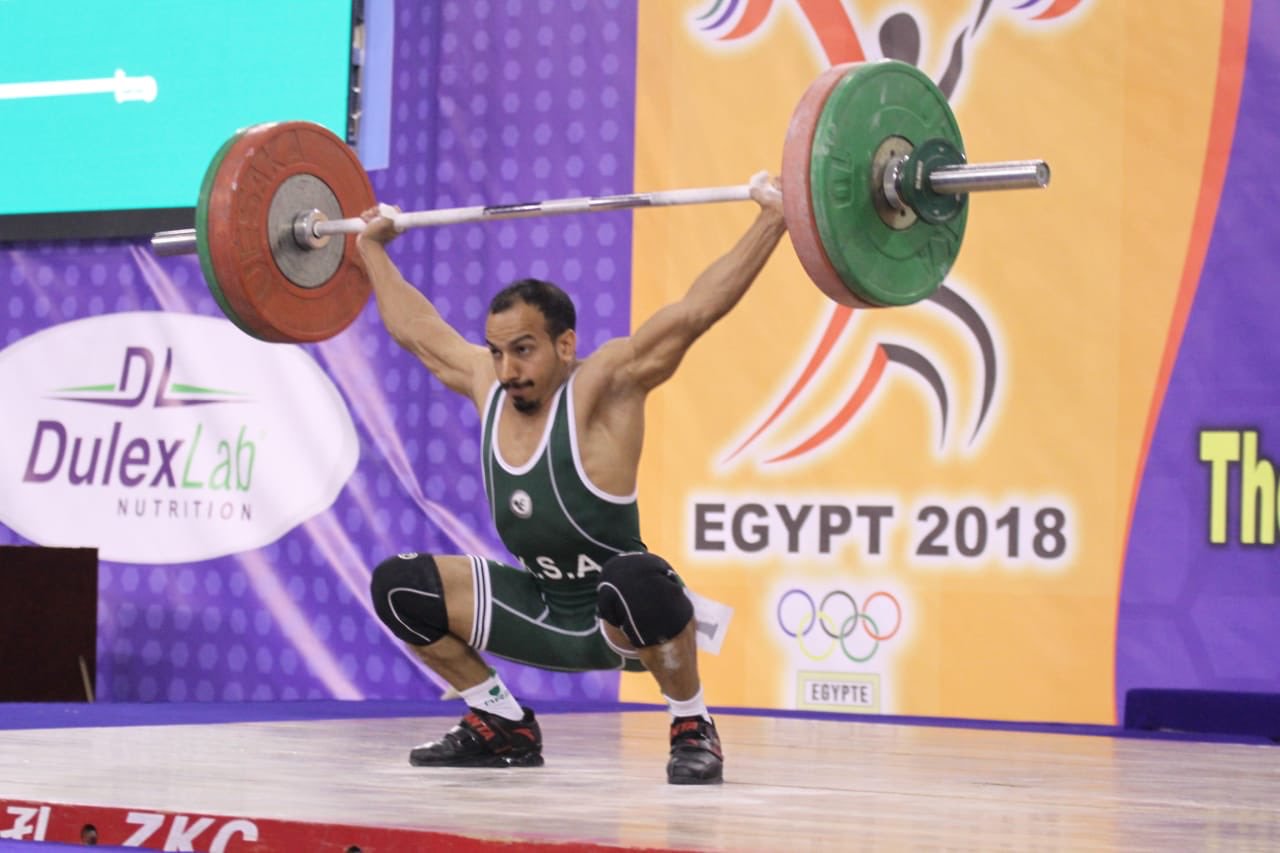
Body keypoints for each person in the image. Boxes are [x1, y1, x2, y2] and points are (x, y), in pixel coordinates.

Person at [358, 172, 786, 785]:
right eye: (498, 351)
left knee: (635, 576)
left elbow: (694, 312)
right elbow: (417, 333)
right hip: (540, 610)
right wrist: (371, 248)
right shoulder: (488, 384)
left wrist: (773, 218)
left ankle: (692, 723)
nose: (508, 368)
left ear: (565, 344)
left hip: (626, 621)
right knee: (400, 586)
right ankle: (499, 720)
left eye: (524, 350)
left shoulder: (605, 385)